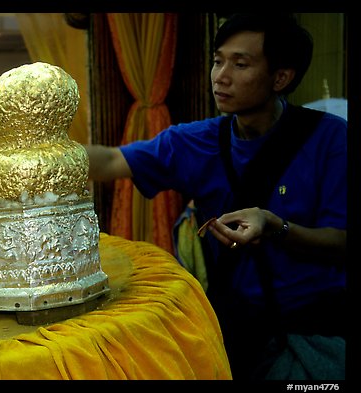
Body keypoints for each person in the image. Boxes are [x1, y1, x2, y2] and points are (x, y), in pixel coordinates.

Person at [85, 13, 346, 380]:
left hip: (312, 328)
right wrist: (37, 156)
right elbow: (113, 160)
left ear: (281, 77)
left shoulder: (331, 139)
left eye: (240, 64)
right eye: (217, 60)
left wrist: (275, 226)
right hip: (231, 327)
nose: (220, 76)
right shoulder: (195, 141)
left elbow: (340, 243)